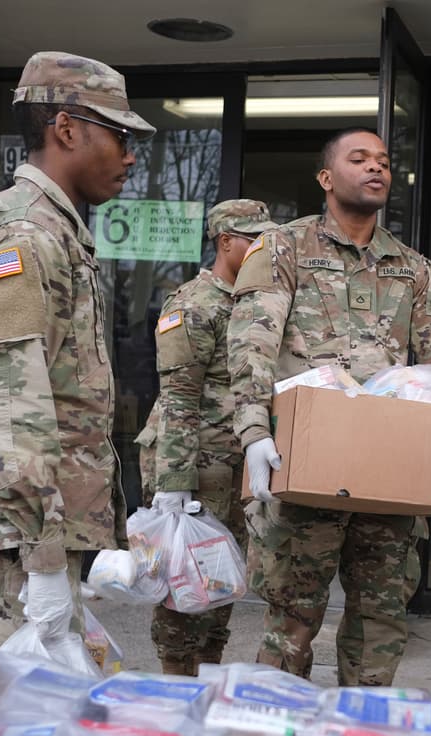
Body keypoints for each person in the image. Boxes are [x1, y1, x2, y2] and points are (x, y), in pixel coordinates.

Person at [228, 127, 431, 686]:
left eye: (385, 161)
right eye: (360, 158)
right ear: (326, 178)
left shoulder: (412, 267)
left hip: (388, 466)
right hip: (304, 456)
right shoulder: (282, 248)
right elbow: (253, 340)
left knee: (381, 617)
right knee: (292, 616)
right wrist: (252, 431)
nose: (376, 168)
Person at [0, 52, 154, 653]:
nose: (130, 155)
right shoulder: (22, 232)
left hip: (28, 533)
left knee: (31, 717)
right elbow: (7, 397)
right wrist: (45, 553)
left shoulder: (55, 231)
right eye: (120, 134)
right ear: (67, 128)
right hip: (8, 536)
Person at [133, 199, 277, 675]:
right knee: (181, 578)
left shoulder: (259, 304)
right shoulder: (194, 304)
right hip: (194, 464)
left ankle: (207, 673)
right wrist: (173, 484)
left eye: (265, 240)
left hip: (236, 464)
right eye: (252, 240)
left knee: (223, 574)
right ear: (225, 243)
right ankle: (176, 682)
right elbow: (177, 398)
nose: (261, 249)